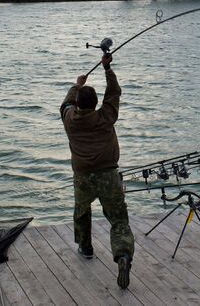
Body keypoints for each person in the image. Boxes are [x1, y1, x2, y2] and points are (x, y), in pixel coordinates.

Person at [60, 53, 134, 290]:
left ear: (79, 104)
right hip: (108, 176)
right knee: (119, 219)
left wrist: (76, 85)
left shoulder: (70, 119)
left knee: (82, 211)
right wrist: (107, 69)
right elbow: (113, 93)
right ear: (95, 104)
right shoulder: (106, 117)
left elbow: (65, 104)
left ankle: (86, 247)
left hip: (83, 177)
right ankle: (122, 255)